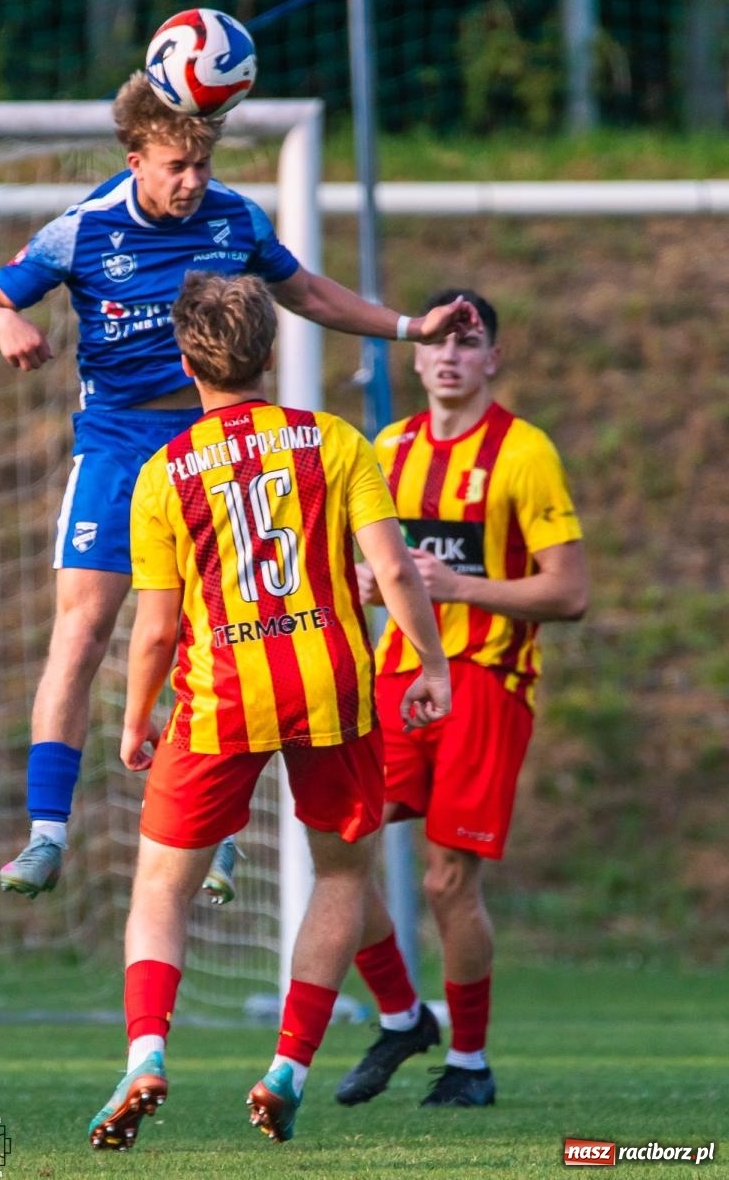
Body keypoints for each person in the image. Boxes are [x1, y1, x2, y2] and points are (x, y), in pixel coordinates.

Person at [0, 71, 471, 902]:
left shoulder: (235, 217)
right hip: (121, 447)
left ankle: (221, 836)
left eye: (201, 164)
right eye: (175, 166)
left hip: (220, 449)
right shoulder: (82, 230)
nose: (192, 182)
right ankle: (47, 831)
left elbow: (306, 292)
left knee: (237, 641)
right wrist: (6, 319)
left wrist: (409, 326)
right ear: (136, 160)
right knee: (83, 631)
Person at [87, 271, 452, 1150]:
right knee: (337, 877)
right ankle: (287, 1067)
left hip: (219, 698)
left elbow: (158, 627)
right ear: (274, 351)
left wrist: (139, 716)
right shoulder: (334, 441)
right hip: (331, 685)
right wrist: (430, 661)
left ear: (185, 361)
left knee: (163, 890)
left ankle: (145, 1054)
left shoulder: (164, 472)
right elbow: (395, 571)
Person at [335, 287, 588, 1109]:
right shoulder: (387, 447)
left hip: (485, 679)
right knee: (338, 845)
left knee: (448, 881)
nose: (449, 354)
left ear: (492, 359)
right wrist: (370, 585)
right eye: (437, 339)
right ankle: (404, 1015)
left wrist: (463, 586)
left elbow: (569, 592)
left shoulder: (524, 453)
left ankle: (470, 1064)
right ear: (414, 356)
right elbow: (359, 565)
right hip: (397, 674)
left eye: (466, 340)